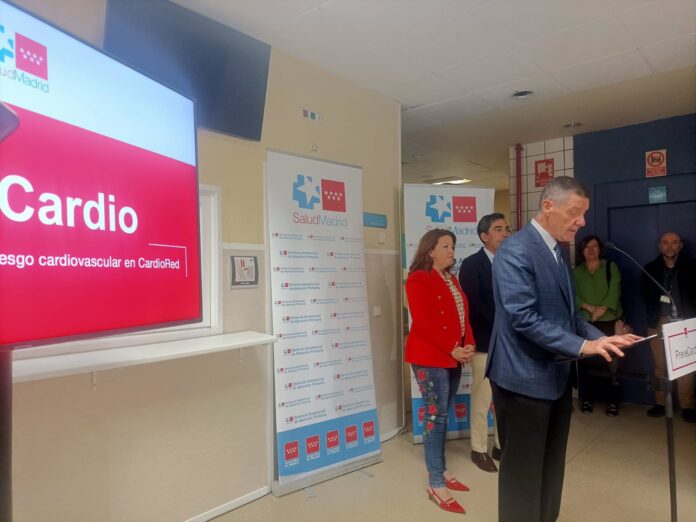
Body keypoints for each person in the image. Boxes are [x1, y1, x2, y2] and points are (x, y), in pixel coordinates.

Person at [485, 176, 641, 522]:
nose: (582, 222)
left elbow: (569, 317)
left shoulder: (557, 251)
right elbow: (523, 317)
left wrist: (601, 339)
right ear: (548, 206)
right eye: (575, 212)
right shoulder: (516, 250)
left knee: (551, 463)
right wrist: (584, 345)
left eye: (584, 214)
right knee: (522, 471)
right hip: (521, 378)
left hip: (556, 376)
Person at [405, 228, 476, 515]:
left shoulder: (451, 279)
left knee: (442, 413)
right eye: (445, 246)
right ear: (430, 250)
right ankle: (435, 482)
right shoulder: (418, 278)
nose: (451, 251)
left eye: (453, 246)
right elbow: (422, 322)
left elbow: (463, 317)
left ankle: (441, 469)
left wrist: (468, 343)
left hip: (452, 356)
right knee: (436, 416)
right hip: (429, 356)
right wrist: (452, 348)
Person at [458, 213, 510, 472]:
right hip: (484, 342)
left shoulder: (510, 261)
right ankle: (478, 449)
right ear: (484, 236)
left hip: (509, 344)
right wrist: (505, 325)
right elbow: (474, 306)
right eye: (498, 229)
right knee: (482, 399)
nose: (505, 233)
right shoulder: (471, 264)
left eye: (506, 228)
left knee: (505, 399)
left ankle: (501, 446)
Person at [641, 232, 696, 423]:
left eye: (674, 243)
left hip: (685, 322)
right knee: (660, 365)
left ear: (680, 245)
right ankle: (660, 403)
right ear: (660, 246)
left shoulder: (692, 266)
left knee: (685, 365)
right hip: (659, 321)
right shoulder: (650, 268)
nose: (670, 246)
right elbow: (644, 294)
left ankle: (688, 406)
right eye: (665, 243)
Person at [573, 235, 626, 417]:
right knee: (586, 363)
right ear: (582, 251)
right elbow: (574, 295)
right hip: (586, 322)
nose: (591, 250)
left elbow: (615, 290)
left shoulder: (610, 267)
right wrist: (591, 309)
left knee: (611, 363)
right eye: (587, 247)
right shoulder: (576, 272)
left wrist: (601, 310)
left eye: (594, 246)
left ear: (600, 249)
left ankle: (612, 401)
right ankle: (587, 399)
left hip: (609, 321)